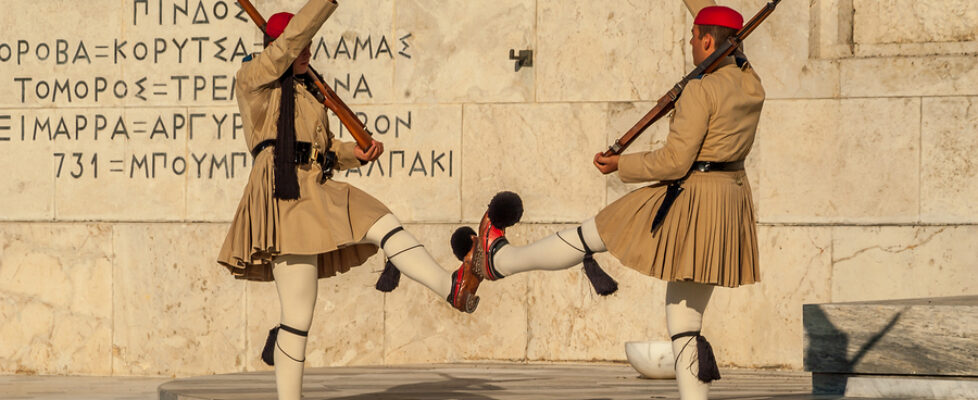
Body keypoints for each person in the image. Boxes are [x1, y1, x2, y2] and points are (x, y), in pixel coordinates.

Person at [462, 3, 764, 399]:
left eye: (693, 37)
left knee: (592, 233)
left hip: (690, 198)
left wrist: (621, 164)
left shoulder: (700, 89)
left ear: (707, 41)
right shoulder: (751, 83)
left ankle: (498, 260)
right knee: (685, 318)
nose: (689, 43)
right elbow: (729, 42)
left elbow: (674, 161)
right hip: (729, 202)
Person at [215, 1, 481, 398]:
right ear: (278, 46)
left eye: (308, 46)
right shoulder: (254, 78)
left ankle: (450, 286)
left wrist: (351, 155)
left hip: (316, 187)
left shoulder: (307, 94)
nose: (307, 52)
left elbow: (319, 148)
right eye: (301, 45)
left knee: (383, 221)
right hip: (282, 194)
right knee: (298, 317)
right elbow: (288, 47)